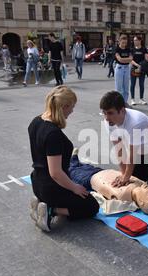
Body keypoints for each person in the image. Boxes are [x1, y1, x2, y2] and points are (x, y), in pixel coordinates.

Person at [28, 86, 99, 232]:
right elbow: (55, 173)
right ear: (64, 107)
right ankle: (51, 210)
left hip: (37, 183)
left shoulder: (36, 121)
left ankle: (42, 202)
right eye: (72, 107)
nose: (72, 111)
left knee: (78, 193)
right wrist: (75, 187)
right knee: (92, 206)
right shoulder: (53, 134)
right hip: (51, 188)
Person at [100, 91, 148, 194]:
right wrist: (123, 174)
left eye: (110, 113)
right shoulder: (109, 121)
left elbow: (131, 154)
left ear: (122, 110)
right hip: (140, 151)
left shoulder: (136, 122)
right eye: (104, 113)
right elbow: (119, 149)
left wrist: (126, 177)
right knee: (132, 183)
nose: (107, 118)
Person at [130, 36, 148, 106]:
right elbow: (131, 60)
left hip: (142, 69)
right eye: (134, 40)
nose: (135, 42)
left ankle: (141, 99)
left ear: (140, 41)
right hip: (134, 68)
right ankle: (132, 99)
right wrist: (137, 65)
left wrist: (141, 65)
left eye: (136, 40)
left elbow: (146, 59)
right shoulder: (132, 49)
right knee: (132, 84)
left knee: (141, 84)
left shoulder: (144, 49)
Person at [114, 35, 133, 103]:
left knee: (126, 88)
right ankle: (118, 102)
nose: (124, 44)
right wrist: (127, 59)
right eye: (123, 43)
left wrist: (125, 59)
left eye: (125, 43)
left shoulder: (128, 49)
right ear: (119, 42)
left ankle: (124, 102)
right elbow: (120, 59)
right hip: (119, 68)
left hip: (127, 68)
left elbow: (131, 59)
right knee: (119, 88)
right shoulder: (117, 49)